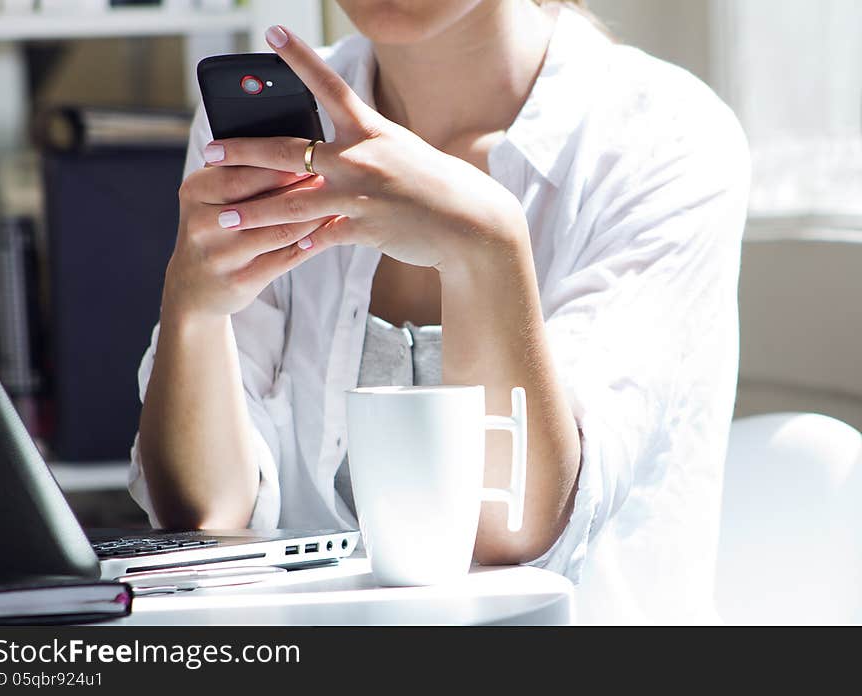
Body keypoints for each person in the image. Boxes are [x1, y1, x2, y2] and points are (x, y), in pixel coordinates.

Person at [128, 0, 750, 623]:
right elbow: (206, 516)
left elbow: (519, 536)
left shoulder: (665, 137)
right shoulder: (272, 129)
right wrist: (194, 309)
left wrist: (488, 248)